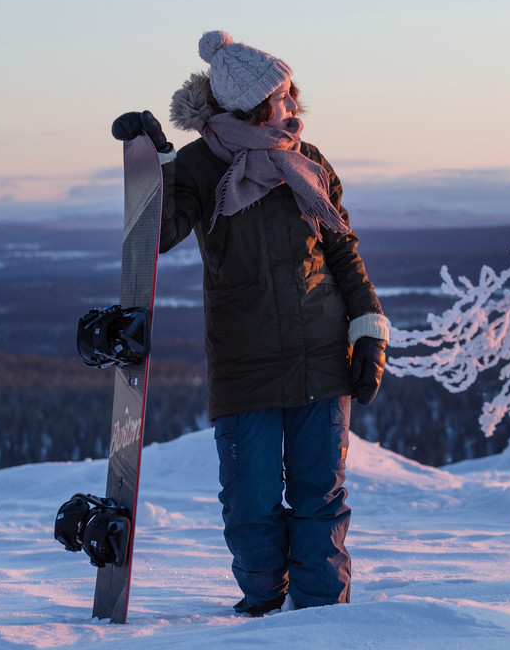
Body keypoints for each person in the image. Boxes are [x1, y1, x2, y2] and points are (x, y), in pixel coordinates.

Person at [111, 30, 388, 617]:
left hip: (321, 351)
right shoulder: (201, 164)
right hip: (246, 360)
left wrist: (368, 325)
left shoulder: (308, 163)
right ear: (247, 104)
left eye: (293, 94)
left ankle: (322, 617)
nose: (293, 107)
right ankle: (264, 606)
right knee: (250, 503)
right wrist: (153, 165)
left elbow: (342, 251)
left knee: (321, 498)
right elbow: (156, 236)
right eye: (281, 96)